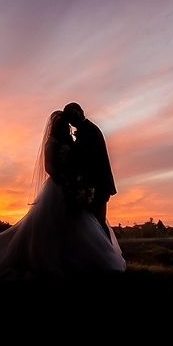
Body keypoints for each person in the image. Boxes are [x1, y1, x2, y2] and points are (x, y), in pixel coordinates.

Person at [0, 110, 125, 292]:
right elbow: (50, 168)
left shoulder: (69, 140)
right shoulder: (51, 143)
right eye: (59, 122)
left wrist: (77, 182)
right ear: (54, 125)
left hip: (72, 186)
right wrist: (66, 181)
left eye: (64, 123)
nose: (62, 125)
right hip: (58, 188)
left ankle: (81, 261)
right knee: (51, 227)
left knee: (77, 225)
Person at [63, 102, 116, 241]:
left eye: (74, 114)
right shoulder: (85, 129)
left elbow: (89, 159)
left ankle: (108, 257)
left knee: (98, 222)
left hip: (97, 184)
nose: (72, 119)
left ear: (81, 112)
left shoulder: (89, 130)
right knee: (93, 223)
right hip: (96, 183)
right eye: (69, 117)